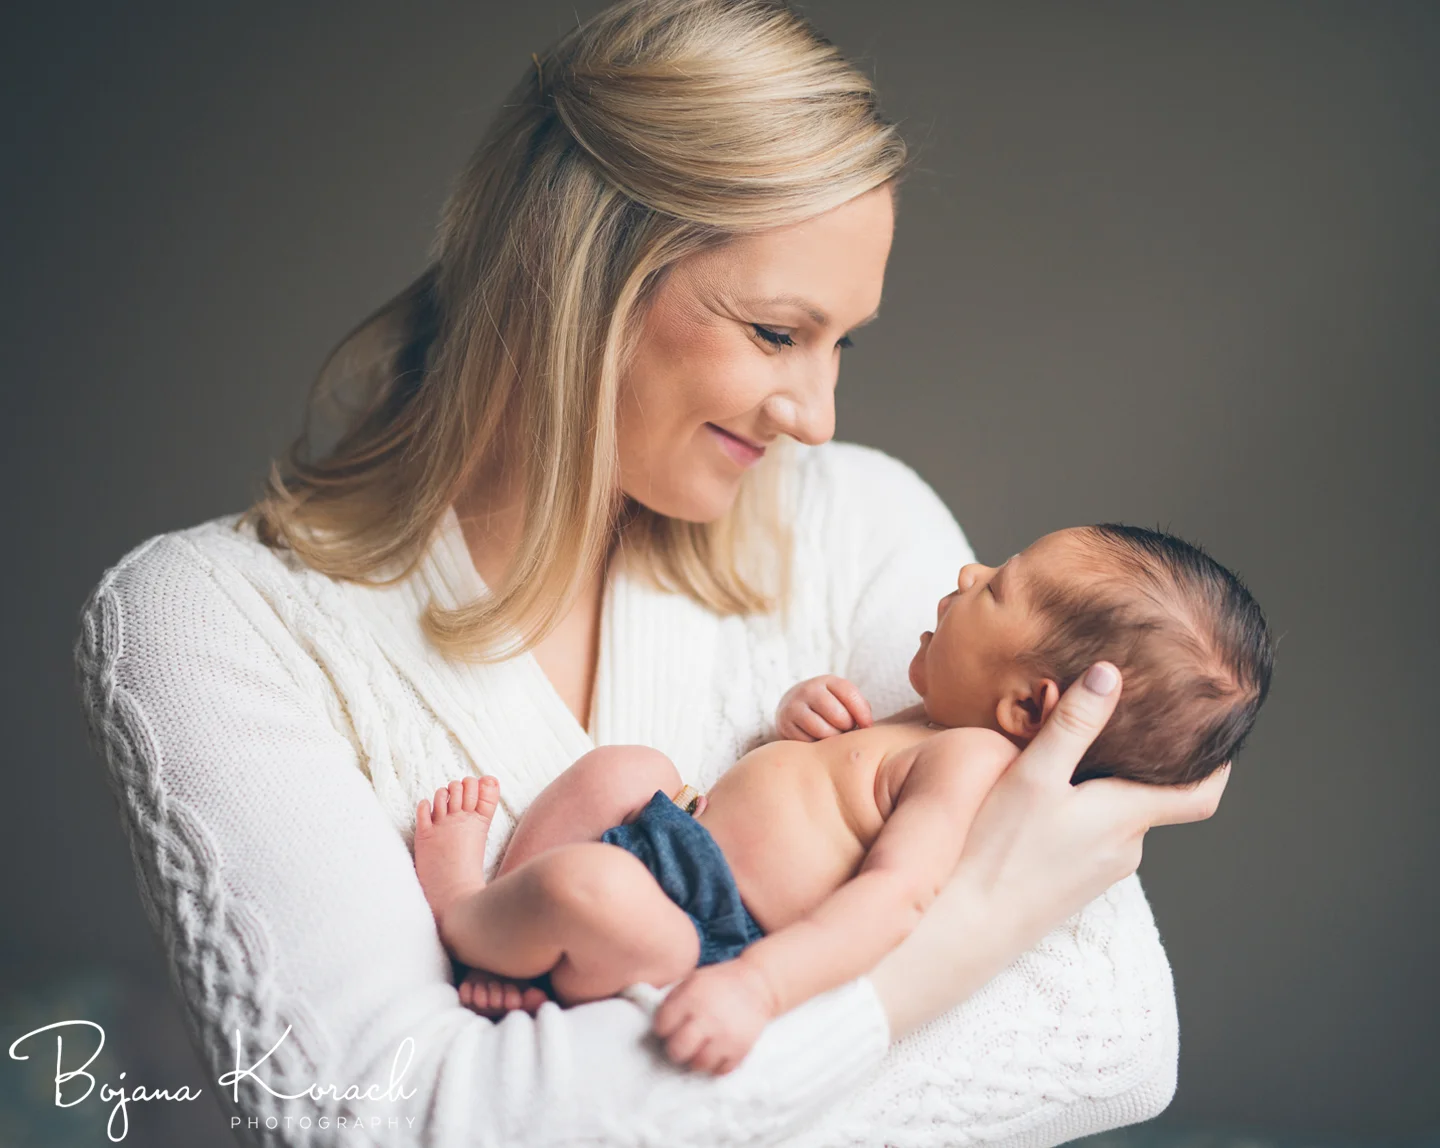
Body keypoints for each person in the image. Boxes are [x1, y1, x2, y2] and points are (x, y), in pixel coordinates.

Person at [73, 2, 1229, 1144]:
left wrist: (580, 1083)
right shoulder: (206, 620)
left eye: (844, 343)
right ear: (577, 280)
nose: (818, 416)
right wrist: (961, 939)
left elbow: (1110, 1037)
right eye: (777, 332)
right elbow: (374, 1120)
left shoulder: (861, 518)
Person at [410, 524, 1271, 1074]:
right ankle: (509, 922)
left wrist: (758, 989)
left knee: (589, 893)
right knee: (622, 768)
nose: (969, 570)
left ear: (1027, 708)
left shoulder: (967, 766)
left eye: (999, 586)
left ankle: (465, 915)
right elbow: (813, 798)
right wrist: (799, 722)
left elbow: (892, 897)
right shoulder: (931, 724)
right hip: (683, 828)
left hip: (704, 934)